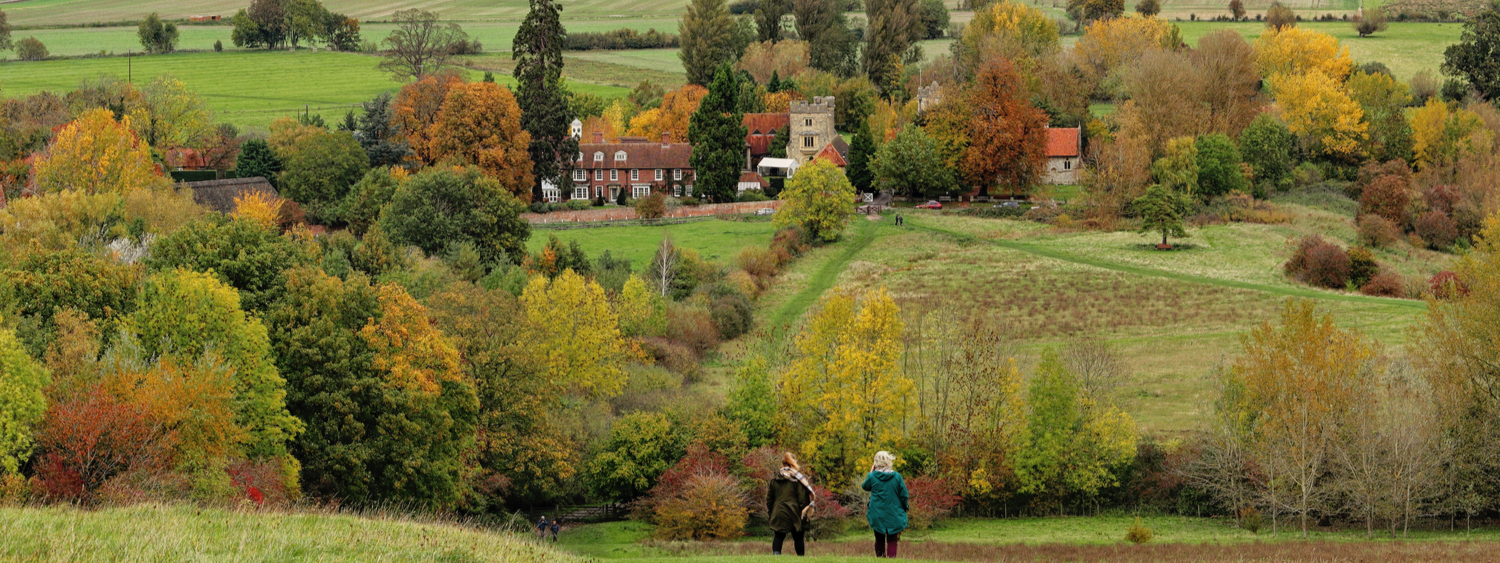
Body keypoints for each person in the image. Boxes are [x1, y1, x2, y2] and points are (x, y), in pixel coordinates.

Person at [766, 452, 816, 556]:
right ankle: (800, 558)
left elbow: (769, 499)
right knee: (798, 537)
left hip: (778, 511)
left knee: (778, 536)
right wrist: (805, 514)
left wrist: (771, 512)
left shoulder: (774, 479)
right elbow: (803, 499)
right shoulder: (798, 479)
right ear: (794, 463)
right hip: (794, 512)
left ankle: (776, 558)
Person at [862, 451, 909, 558]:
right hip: (894, 512)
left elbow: (865, 486)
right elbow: (904, 494)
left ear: (876, 463)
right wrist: (905, 507)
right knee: (892, 539)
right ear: (889, 461)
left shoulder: (872, 477)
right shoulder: (897, 476)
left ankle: (880, 559)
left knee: (879, 539)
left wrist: (870, 472)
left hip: (877, 513)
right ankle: (891, 560)